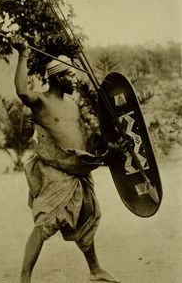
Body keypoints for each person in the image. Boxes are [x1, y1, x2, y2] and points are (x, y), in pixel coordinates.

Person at [11, 35, 121, 283]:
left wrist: (112, 148)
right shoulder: (41, 102)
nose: (74, 79)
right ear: (58, 78)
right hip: (56, 173)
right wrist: (23, 54)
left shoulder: (72, 104)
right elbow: (21, 90)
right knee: (45, 223)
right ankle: (24, 278)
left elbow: (84, 137)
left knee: (86, 216)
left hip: (78, 173)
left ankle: (95, 270)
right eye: (70, 76)